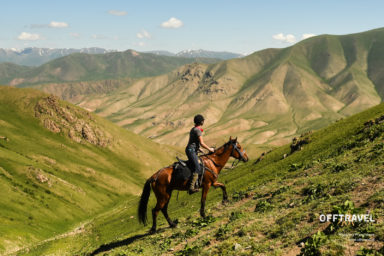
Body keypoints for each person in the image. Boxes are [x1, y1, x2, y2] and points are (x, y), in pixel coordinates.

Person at [185, 114, 215, 194]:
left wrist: (199, 149)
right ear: (201, 121)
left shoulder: (193, 129)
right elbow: (201, 143)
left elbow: (193, 142)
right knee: (197, 167)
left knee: (199, 164)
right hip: (191, 151)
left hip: (191, 150)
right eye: (203, 120)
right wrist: (210, 149)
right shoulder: (198, 130)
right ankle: (191, 187)